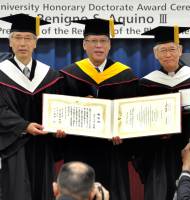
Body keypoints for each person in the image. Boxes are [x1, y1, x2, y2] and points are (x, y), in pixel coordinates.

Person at [59, 18, 138, 200]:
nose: (98, 46)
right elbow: (59, 113)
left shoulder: (127, 75)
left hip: (112, 150)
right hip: (79, 148)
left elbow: (133, 114)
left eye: (103, 41)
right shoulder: (67, 74)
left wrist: (124, 133)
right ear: (84, 45)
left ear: (110, 45)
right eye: (93, 41)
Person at [0, 13, 64, 200]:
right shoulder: (1, 74)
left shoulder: (50, 75)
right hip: (14, 147)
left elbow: (59, 108)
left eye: (28, 38)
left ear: (35, 43)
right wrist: (23, 126)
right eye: (17, 38)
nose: (22, 43)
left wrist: (60, 127)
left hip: (43, 147)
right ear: (10, 43)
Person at [132, 26, 190, 200]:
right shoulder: (146, 84)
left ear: (180, 51)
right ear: (155, 54)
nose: (168, 54)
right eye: (163, 50)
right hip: (158, 152)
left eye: (172, 49)